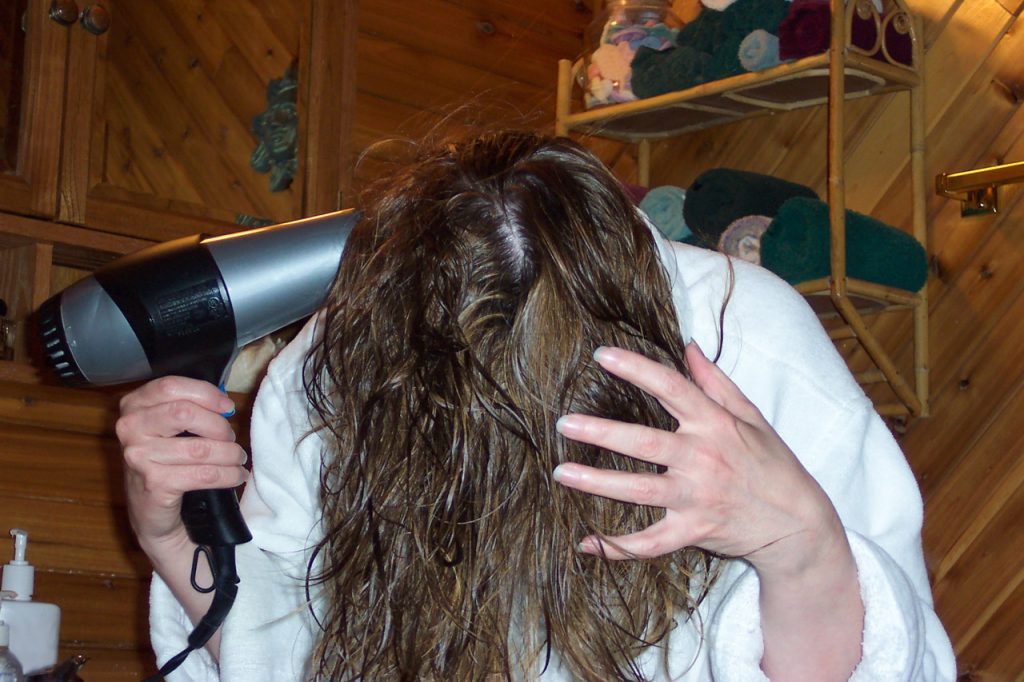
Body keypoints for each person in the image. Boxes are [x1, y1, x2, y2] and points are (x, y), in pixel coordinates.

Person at [117, 130, 956, 680]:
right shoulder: (331, 368)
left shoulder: (754, 343)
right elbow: (289, 649)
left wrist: (801, 547)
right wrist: (174, 540)